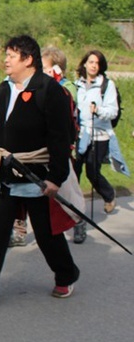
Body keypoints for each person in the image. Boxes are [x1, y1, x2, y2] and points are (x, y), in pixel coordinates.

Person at [0, 35, 79, 306]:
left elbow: (60, 139)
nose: (6, 60)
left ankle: (66, 273)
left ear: (28, 59)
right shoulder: (4, 89)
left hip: (36, 176)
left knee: (47, 236)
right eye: (6, 55)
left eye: (11, 55)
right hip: (3, 173)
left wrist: (55, 178)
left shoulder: (50, 91)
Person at [9, 46, 78, 247]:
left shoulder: (62, 92)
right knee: (20, 197)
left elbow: (67, 129)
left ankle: (71, 224)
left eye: (48, 69)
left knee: (58, 198)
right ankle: (20, 229)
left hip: (51, 155)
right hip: (28, 155)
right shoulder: (27, 89)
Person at [74, 50, 128, 219]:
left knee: (92, 172)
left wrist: (98, 111)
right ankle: (75, 209)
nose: (93, 66)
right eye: (91, 62)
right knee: (74, 171)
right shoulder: (77, 84)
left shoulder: (107, 85)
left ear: (101, 66)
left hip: (99, 135)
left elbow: (113, 111)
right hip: (81, 134)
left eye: (97, 63)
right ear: (85, 63)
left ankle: (109, 195)